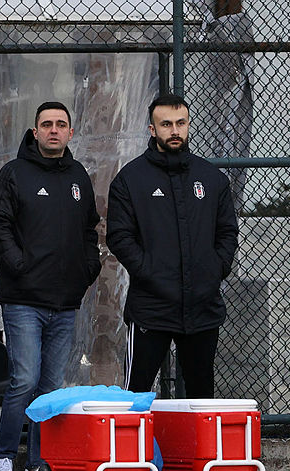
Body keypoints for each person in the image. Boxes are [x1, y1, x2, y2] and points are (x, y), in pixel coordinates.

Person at [0, 101, 101, 471]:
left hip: (65, 302)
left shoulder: (79, 176)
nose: (54, 130)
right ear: (35, 132)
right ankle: (2, 457)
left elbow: (89, 230)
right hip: (23, 300)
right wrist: (18, 264)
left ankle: (37, 464)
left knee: (50, 388)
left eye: (61, 124)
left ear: (71, 132)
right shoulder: (14, 173)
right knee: (24, 379)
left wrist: (88, 269)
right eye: (46, 124)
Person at [106, 93, 239, 398]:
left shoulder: (212, 178)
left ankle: (195, 449)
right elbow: (119, 236)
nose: (175, 130)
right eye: (166, 124)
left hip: (202, 306)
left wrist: (214, 271)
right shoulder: (131, 179)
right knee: (136, 395)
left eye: (181, 123)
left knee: (201, 397)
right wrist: (150, 272)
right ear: (152, 130)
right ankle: (134, 448)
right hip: (152, 307)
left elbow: (228, 232)